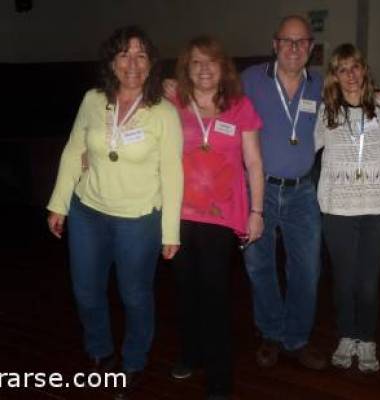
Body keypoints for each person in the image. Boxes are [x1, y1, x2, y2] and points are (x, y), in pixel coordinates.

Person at [47, 26, 183, 397]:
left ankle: (134, 361)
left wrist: (170, 232)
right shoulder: (93, 99)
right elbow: (75, 149)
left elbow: (173, 174)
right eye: (124, 54)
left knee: (135, 294)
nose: (133, 63)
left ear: (152, 63)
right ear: (112, 61)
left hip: (138, 219)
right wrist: (59, 203)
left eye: (141, 55)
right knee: (86, 291)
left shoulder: (164, 113)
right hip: (88, 211)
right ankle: (100, 350)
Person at [166, 36, 264, 400]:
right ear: (185, 69)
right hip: (177, 214)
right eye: (196, 62)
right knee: (185, 289)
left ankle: (220, 379)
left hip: (221, 218)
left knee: (215, 295)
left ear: (223, 67)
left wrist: (257, 211)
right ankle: (191, 353)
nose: (204, 69)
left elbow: (254, 162)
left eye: (211, 62)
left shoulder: (241, 106)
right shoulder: (171, 104)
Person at [241, 15, 327, 370]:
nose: (294, 48)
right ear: (275, 44)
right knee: (259, 266)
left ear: (310, 47)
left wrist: (378, 97)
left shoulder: (322, 85)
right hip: (257, 192)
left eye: (301, 41)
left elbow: (356, 96)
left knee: (307, 269)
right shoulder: (249, 80)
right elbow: (208, 96)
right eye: (287, 41)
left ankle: (297, 338)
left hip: (302, 192)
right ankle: (271, 333)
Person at [314, 43, 380, 373]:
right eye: (342, 69)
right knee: (344, 280)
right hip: (337, 209)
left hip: (376, 207)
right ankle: (347, 336)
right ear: (334, 75)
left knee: (368, 282)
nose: (350, 75)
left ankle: (367, 339)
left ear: (364, 70)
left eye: (355, 67)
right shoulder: (325, 112)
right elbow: (305, 149)